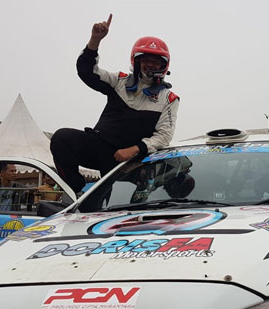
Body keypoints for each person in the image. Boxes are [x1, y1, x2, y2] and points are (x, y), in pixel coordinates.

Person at [51, 13, 181, 194]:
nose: (150, 65)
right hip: (100, 148)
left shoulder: (169, 98)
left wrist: (135, 149)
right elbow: (87, 72)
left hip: (131, 161)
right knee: (61, 138)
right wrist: (95, 40)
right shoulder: (119, 80)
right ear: (136, 61)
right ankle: (76, 192)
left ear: (164, 65)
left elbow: (164, 136)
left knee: (180, 178)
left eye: (155, 62)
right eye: (146, 60)